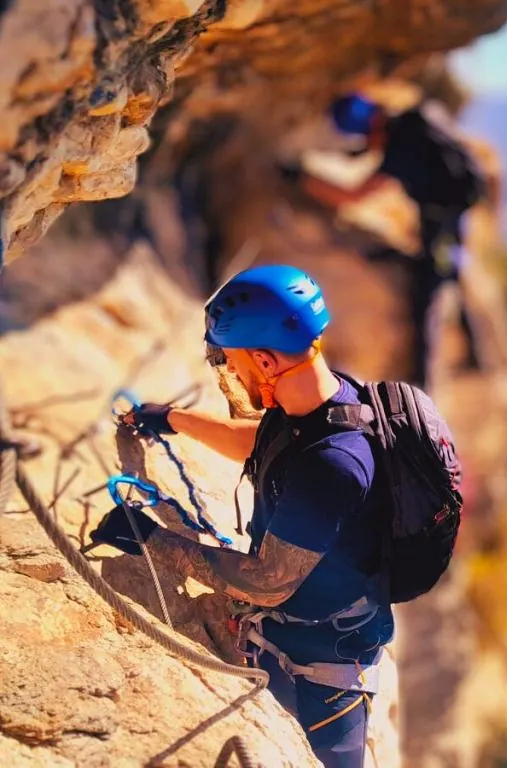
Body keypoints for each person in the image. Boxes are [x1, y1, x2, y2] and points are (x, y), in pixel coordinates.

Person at [90, 264, 393, 768]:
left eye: (233, 362)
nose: (230, 373)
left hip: (324, 679)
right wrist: (171, 419)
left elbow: (267, 581)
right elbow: (260, 442)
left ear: (265, 360)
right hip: (287, 640)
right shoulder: (321, 399)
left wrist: (149, 538)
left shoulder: (335, 463)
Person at [326, 93, 485, 388]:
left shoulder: (400, 147)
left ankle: (424, 384)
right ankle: (477, 354)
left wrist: (303, 181)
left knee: (427, 295)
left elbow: (353, 195)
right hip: (451, 210)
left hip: (441, 219)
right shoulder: (418, 118)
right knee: (449, 268)